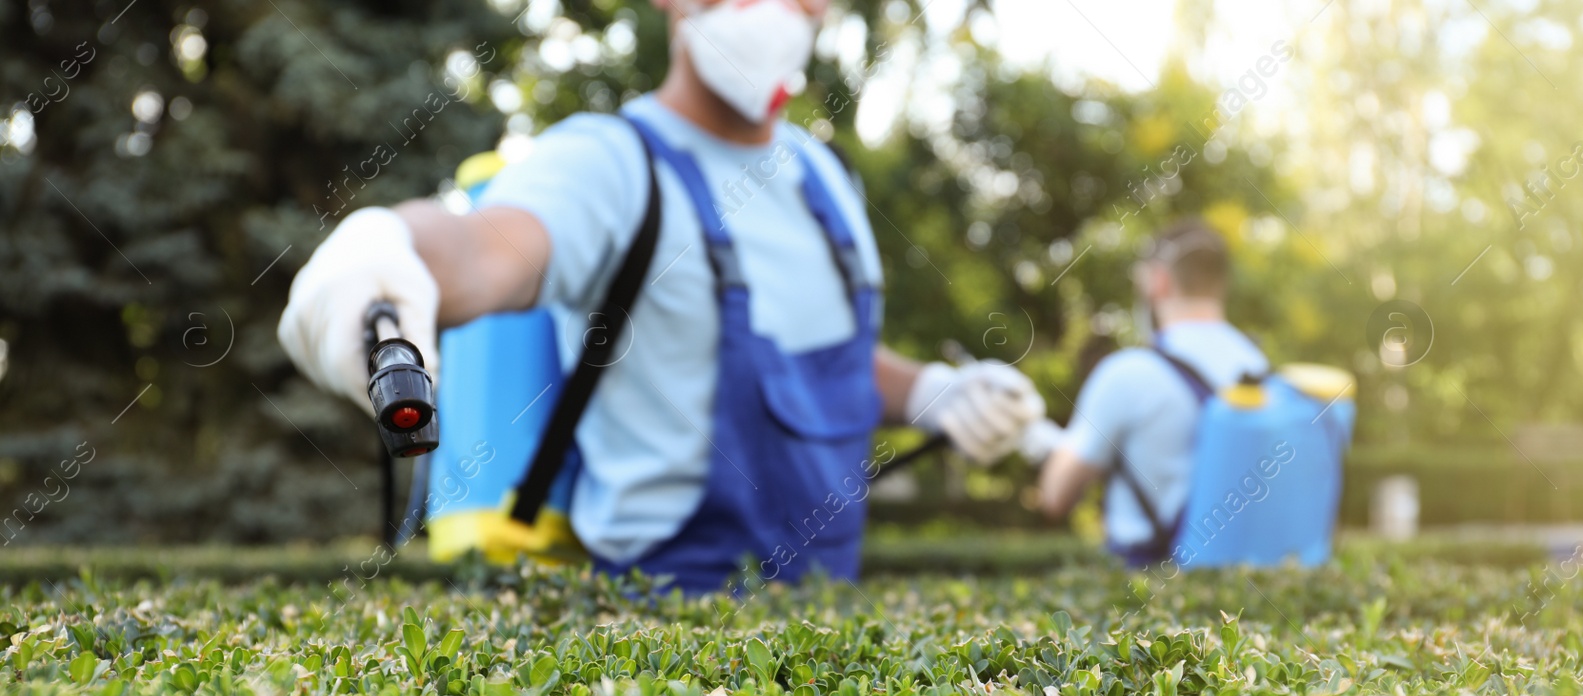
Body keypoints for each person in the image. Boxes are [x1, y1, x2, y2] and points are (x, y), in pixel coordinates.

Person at [277, 0, 1044, 594]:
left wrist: (936, 393)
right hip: (663, 639)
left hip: (835, 636)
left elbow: (826, 357)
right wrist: (390, 251)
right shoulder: (604, 165)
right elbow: (483, 252)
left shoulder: (825, 176)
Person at [1035, 220, 1270, 564]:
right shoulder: (1261, 369)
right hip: (1246, 578)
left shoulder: (1128, 372)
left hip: (1151, 584)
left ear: (1158, 281)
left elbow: (1055, 497)